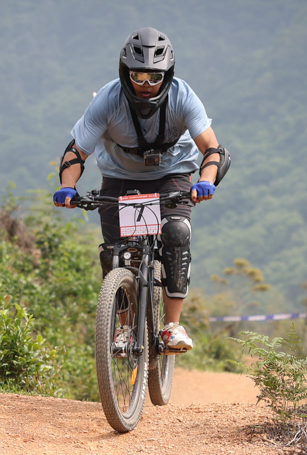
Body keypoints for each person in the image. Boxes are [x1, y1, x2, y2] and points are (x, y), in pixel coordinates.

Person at [53, 27, 225, 355]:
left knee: (176, 233)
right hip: (120, 176)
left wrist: (206, 180)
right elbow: (77, 152)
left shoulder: (183, 97)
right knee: (116, 254)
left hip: (172, 174)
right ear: (125, 73)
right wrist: (67, 186)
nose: (146, 85)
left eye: (154, 77)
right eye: (138, 76)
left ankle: (172, 326)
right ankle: (124, 330)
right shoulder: (107, 100)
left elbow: (212, 149)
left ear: (167, 75)